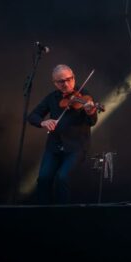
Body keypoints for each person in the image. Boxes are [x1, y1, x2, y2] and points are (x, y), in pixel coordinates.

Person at [27, 64, 99, 203]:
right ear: (55, 83)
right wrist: (43, 122)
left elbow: (92, 122)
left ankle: (62, 216)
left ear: (73, 78)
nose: (66, 84)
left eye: (69, 79)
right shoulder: (52, 98)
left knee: (62, 177)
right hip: (54, 147)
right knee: (43, 178)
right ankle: (43, 215)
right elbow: (33, 116)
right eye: (61, 81)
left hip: (76, 147)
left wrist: (91, 111)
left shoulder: (84, 95)